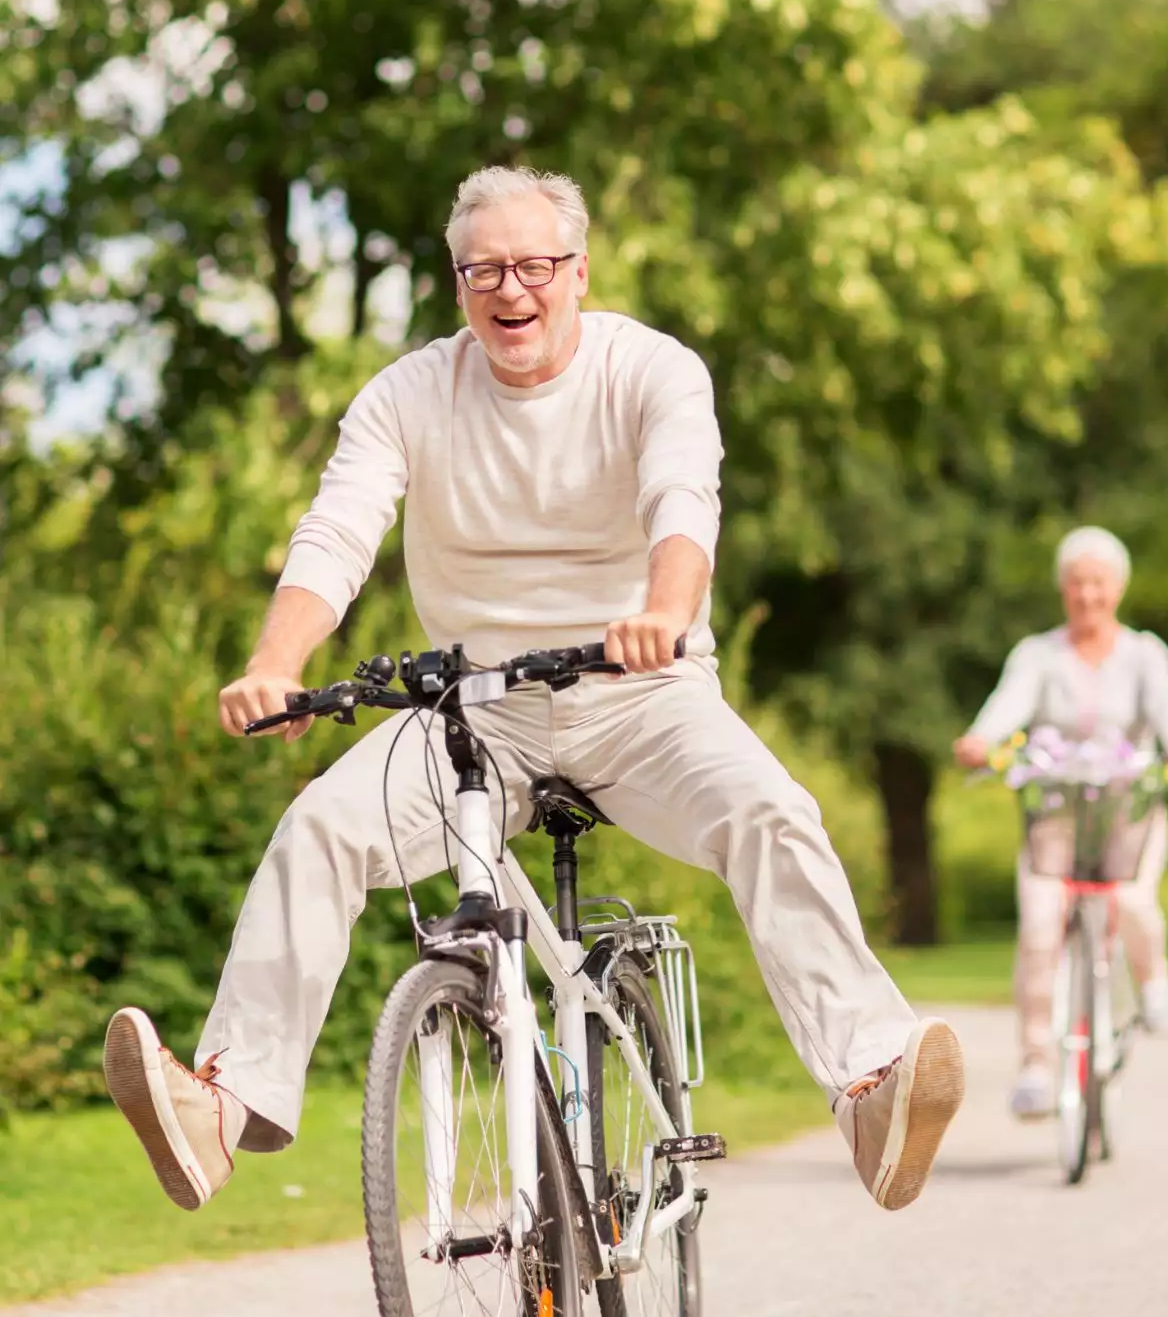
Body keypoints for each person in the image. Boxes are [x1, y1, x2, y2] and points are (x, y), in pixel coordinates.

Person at [102, 166, 964, 1215]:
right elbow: (337, 533)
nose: (511, 290)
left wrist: (663, 609)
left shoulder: (650, 369)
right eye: (484, 271)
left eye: (534, 266)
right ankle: (221, 1108)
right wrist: (274, 664)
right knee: (319, 827)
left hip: (640, 692)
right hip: (473, 711)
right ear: (458, 283)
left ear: (578, 273)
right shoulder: (408, 393)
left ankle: (870, 1086)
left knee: (770, 811)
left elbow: (683, 500)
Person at [952, 526, 1168, 1119]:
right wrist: (980, 740)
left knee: (1133, 902)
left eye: (1098, 583)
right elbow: (1005, 707)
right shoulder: (1038, 655)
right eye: (1076, 583)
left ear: (1117, 588)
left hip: (1129, 812)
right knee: (1040, 927)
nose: (1087, 595)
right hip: (1057, 814)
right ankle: (1037, 1066)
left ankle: (1153, 982)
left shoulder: (1146, 654)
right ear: (1063, 590)